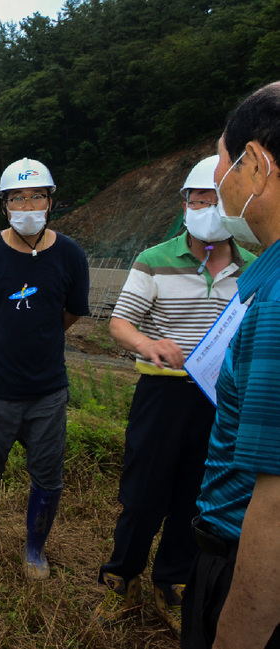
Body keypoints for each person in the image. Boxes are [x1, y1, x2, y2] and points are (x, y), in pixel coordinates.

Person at [91, 156, 256, 638]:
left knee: (195, 494)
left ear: (231, 204)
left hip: (218, 402)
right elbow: (120, 322)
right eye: (194, 199)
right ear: (183, 203)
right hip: (161, 394)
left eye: (210, 199)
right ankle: (121, 578)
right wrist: (149, 344)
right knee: (143, 494)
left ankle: (173, 581)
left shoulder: (252, 269)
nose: (201, 207)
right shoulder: (154, 259)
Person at [182, 81, 280, 648]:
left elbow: (277, 498)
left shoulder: (278, 302)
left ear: (258, 165)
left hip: (244, 552)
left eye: (221, 160)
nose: (216, 182)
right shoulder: (268, 272)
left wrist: (237, 633)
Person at [0, 158, 90, 580]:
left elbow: (70, 312)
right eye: (17, 197)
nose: (27, 204)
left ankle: (35, 549)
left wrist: (40, 333)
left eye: (36, 196)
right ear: (4, 206)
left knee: (49, 475)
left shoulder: (70, 255)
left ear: (51, 202)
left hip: (48, 387)